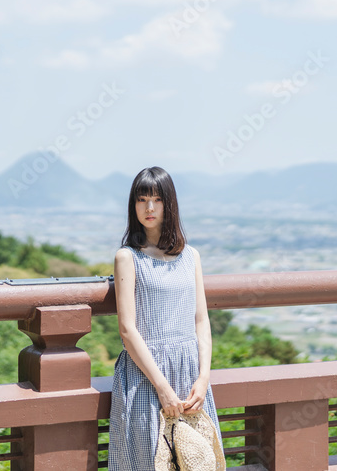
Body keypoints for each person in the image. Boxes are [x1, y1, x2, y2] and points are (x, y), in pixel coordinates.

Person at [108, 166, 223, 470]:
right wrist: (162, 388)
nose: (148, 208)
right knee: (148, 462)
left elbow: (201, 320)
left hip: (189, 374)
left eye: (156, 200)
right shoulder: (128, 257)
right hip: (147, 376)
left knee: (197, 461)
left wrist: (204, 378)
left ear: (168, 204)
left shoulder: (191, 256)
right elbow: (128, 330)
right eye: (141, 199)